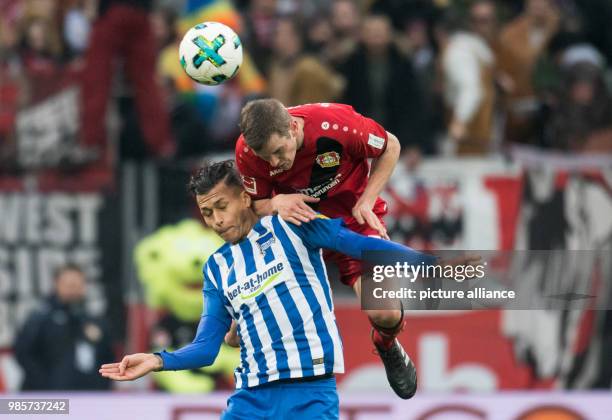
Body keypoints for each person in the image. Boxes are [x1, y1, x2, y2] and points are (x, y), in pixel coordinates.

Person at [100, 160, 446, 416]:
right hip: (250, 397)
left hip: (310, 391)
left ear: (246, 197)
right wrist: (156, 361)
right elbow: (206, 349)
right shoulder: (217, 268)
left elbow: (357, 246)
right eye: (207, 213)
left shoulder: (290, 224)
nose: (217, 220)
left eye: (222, 206)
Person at [233, 98, 415, 398]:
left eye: (279, 151)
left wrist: (368, 199)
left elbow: (390, 145)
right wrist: (275, 202)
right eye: (267, 157)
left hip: (352, 218)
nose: (275, 163)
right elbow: (255, 205)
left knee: (384, 312)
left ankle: (386, 343)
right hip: (297, 228)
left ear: (293, 127)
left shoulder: (338, 125)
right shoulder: (247, 151)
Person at [15, 264, 114, 391]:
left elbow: (108, 358)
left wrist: (101, 387)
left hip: (88, 398)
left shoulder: (95, 321)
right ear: (56, 284)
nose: (74, 290)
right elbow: (23, 354)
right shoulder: (40, 318)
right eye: (69, 285)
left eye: (78, 285)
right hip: (48, 398)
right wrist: (44, 386)